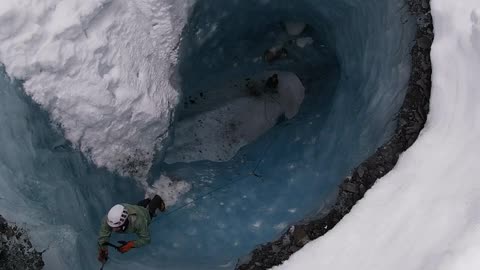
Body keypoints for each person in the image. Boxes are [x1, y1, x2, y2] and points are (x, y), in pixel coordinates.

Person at [97, 195, 166, 263]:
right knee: (138, 206)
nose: (113, 230)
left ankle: (157, 199)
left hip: (143, 214)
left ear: (124, 222)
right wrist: (103, 249)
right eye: (112, 226)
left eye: (116, 227)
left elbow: (146, 239)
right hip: (132, 208)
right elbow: (104, 236)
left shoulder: (138, 222)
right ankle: (147, 200)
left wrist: (130, 244)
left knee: (150, 212)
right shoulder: (108, 219)